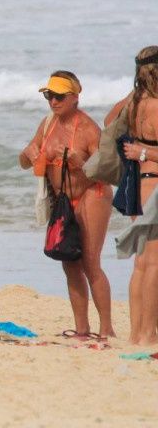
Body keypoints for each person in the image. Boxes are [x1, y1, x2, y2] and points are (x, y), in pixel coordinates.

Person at [19, 71, 112, 338]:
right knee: (69, 260)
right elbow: (24, 162)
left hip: (92, 194)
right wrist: (28, 154)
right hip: (63, 200)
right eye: (49, 95)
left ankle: (107, 329)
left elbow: (108, 172)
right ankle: (82, 328)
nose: (53, 101)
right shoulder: (47, 125)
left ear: (74, 97)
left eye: (59, 96)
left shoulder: (88, 129)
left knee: (90, 262)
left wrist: (81, 163)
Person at [105, 47, 158, 346]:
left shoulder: (136, 101)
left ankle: (138, 332)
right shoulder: (156, 105)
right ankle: (149, 333)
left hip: (139, 185)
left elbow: (109, 120)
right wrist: (144, 151)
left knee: (142, 263)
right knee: (154, 264)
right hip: (154, 185)